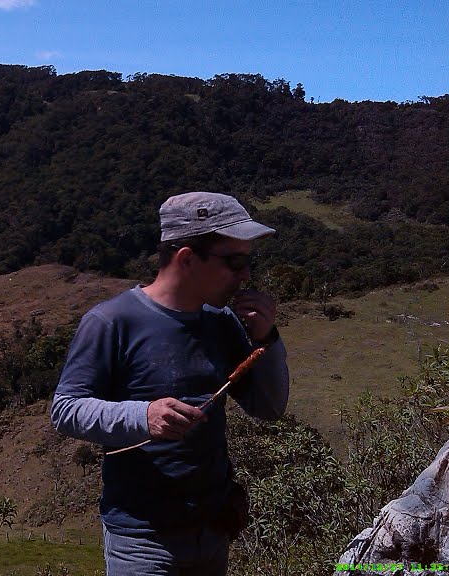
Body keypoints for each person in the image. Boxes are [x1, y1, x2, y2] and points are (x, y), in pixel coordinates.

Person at [51, 191, 289, 576]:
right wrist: (143, 416)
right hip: (143, 541)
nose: (245, 275)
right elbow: (65, 409)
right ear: (187, 258)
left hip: (213, 532)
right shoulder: (112, 322)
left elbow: (270, 408)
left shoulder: (222, 322)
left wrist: (267, 340)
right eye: (235, 262)